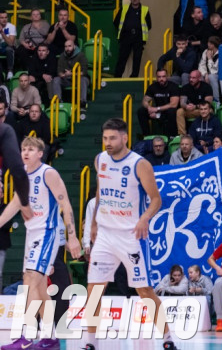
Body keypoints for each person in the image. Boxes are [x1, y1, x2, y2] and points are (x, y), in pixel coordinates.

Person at [83, 118, 178, 350]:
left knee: (144, 290)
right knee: (94, 289)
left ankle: (167, 338)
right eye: (105, 138)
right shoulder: (100, 160)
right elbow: (100, 191)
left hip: (130, 235)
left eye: (112, 138)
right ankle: (90, 343)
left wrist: (144, 218)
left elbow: (156, 199)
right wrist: (94, 224)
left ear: (124, 138)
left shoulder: (140, 164)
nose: (108, 142)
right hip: (105, 234)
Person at [0, 137, 80, 350]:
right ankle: (50, 337)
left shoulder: (48, 173)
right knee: (40, 286)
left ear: (40, 154)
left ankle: (26, 337)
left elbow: (66, 204)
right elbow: (15, 204)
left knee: (30, 281)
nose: (25, 152)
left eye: (30, 149)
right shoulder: (23, 175)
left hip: (47, 233)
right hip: (31, 234)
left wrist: (72, 236)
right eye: (23, 149)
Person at [114, 0, 151, 78]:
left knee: (137, 58)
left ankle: (134, 77)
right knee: (122, 58)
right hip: (126, 37)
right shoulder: (124, 8)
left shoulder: (145, 9)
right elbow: (116, 22)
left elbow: (149, 25)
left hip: (139, 38)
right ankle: (117, 77)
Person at [137, 69, 180, 139]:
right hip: (158, 111)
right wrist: (149, 108)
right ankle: (146, 136)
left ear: (167, 77)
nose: (161, 79)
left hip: (168, 111)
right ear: (156, 77)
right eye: (159, 77)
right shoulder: (152, 87)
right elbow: (144, 101)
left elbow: (173, 104)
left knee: (171, 111)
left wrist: (157, 109)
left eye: (163, 76)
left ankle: (172, 137)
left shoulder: (173, 86)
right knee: (141, 111)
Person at [55, 38, 89, 107]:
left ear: (74, 46)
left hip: (78, 79)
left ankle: (82, 102)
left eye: (69, 46)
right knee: (56, 80)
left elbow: (84, 72)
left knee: (83, 80)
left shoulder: (81, 55)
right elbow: (59, 71)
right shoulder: (62, 56)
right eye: (66, 46)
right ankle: (58, 101)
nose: (67, 48)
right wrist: (63, 75)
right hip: (66, 79)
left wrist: (72, 74)